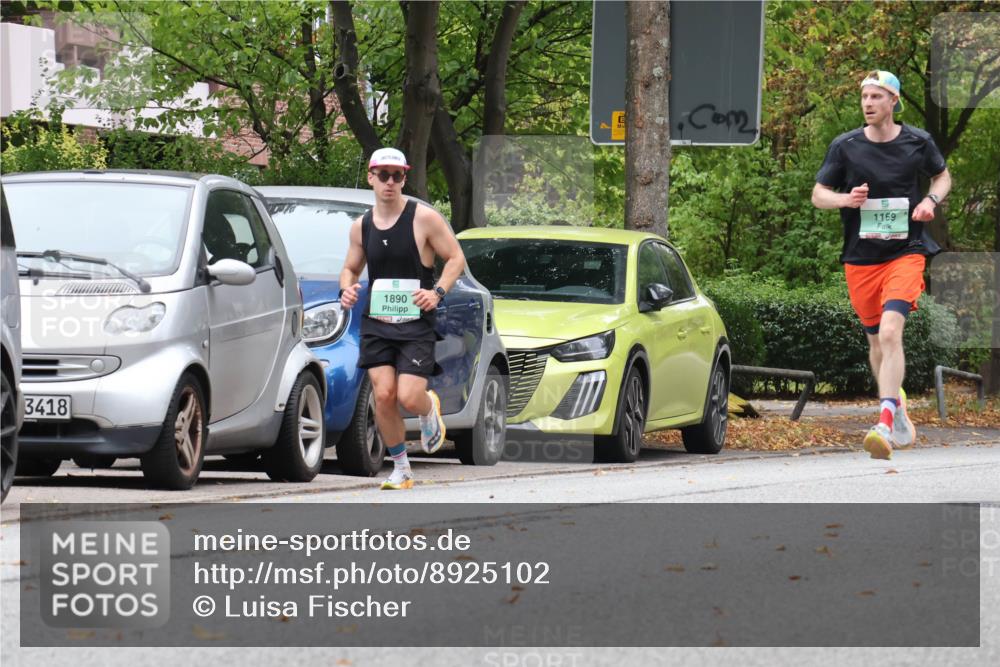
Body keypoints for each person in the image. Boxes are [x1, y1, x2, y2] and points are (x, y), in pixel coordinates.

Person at [812, 70, 952, 460]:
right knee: (876, 341)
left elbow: (942, 176)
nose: (868, 103)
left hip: (906, 251)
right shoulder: (845, 146)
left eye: (876, 96)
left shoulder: (917, 142)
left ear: (894, 101)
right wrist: (845, 200)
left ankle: (885, 422)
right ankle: (897, 404)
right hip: (861, 258)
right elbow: (819, 194)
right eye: (864, 97)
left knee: (891, 332)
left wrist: (930, 201)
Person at [339, 147, 467, 489]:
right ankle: (401, 468)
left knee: (408, 397)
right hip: (377, 321)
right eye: (383, 175)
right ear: (371, 177)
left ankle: (428, 408)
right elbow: (350, 268)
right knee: (383, 395)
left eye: (397, 176)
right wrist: (346, 289)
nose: (390, 182)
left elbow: (456, 258)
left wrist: (436, 292)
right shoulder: (361, 226)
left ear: (404, 179)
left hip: (415, 322)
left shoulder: (423, 218)